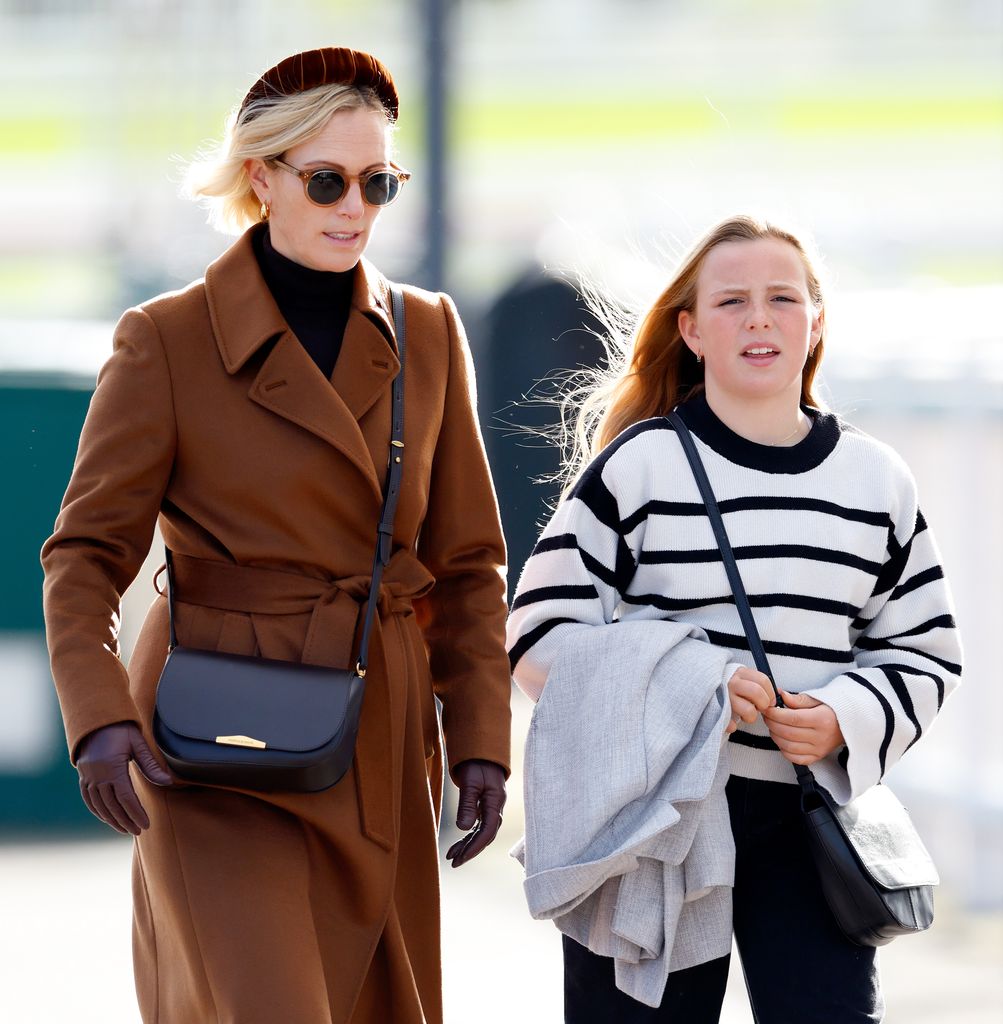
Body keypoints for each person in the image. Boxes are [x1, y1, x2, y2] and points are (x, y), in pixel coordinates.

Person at [41, 47, 511, 1024]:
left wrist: (479, 738)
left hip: (372, 732)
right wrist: (97, 716)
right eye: (329, 180)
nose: (356, 208)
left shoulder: (427, 331)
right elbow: (84, 556)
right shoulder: (164, 339)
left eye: (379, 183)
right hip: (210, 740)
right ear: (262, 178)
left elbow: (468, 568)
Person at [506, 215, 962, 1023]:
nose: (759, 316)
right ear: (690, 330)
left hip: (810, 822)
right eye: (731, 301)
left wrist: (842, 718)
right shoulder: (639, 466)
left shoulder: (875, 480)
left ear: (815, 321)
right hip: (655, 828)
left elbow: (924, 650)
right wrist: (693, 689)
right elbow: (537, 640)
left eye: (782, 297)